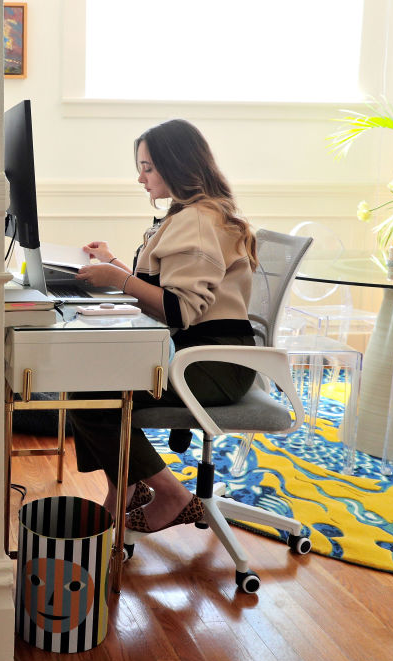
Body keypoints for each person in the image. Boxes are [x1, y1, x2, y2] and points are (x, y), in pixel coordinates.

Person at [69, 118, 258, 540]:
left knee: (87, 394)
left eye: (148, 168)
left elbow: (178, 310)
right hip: (208, 357)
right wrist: (116, 265)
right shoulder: (193, 215)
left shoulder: (195, 220)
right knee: (91, 386)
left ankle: (168, 495)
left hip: (212, 363)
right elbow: (167, 289)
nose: (140, 178)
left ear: (176, 166)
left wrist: (116, 279)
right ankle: (128, 489)